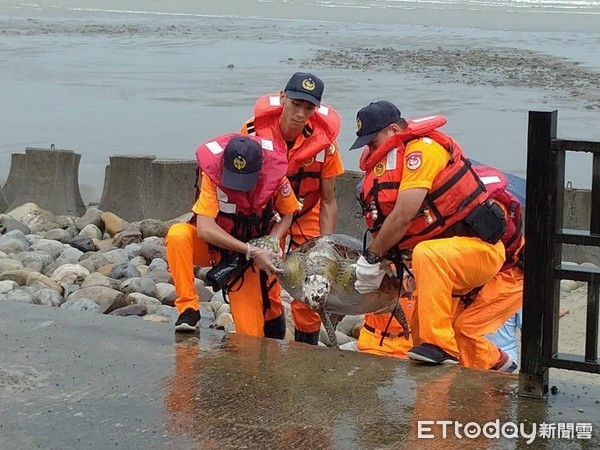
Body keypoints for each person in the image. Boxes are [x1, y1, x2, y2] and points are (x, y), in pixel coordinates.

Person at [351, 100, 509, 368]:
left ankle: (441, 347)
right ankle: (500, 368)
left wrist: (371, 257)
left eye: (373, 141)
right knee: (420, 333)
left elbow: (403, 215)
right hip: (445, 261)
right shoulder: (395, 160)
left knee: (428, 255)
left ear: (392, 130)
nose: (371, 149)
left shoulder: (424, 151)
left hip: (478, 251)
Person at [241, 72, 345, 345]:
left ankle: (305, 354)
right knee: (267, 281)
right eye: (296, 104)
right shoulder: (252, 133)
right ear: (283, 98)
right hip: (269, 214)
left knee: (312, 283)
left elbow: (329, 200)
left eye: (308, 108)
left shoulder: (326, 144)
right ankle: (271, 346)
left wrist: (326, 246)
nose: (300, 114)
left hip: (308, 211)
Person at [166, 134, 300, 338]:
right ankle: (188, 309)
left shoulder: (276, 179)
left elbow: (287, 213)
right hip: (214, 248)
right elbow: (204, 228)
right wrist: (252, 251)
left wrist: (271, 241)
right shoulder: (212, 176)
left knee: (251, 337)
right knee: (178, 235)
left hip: (245, 262)